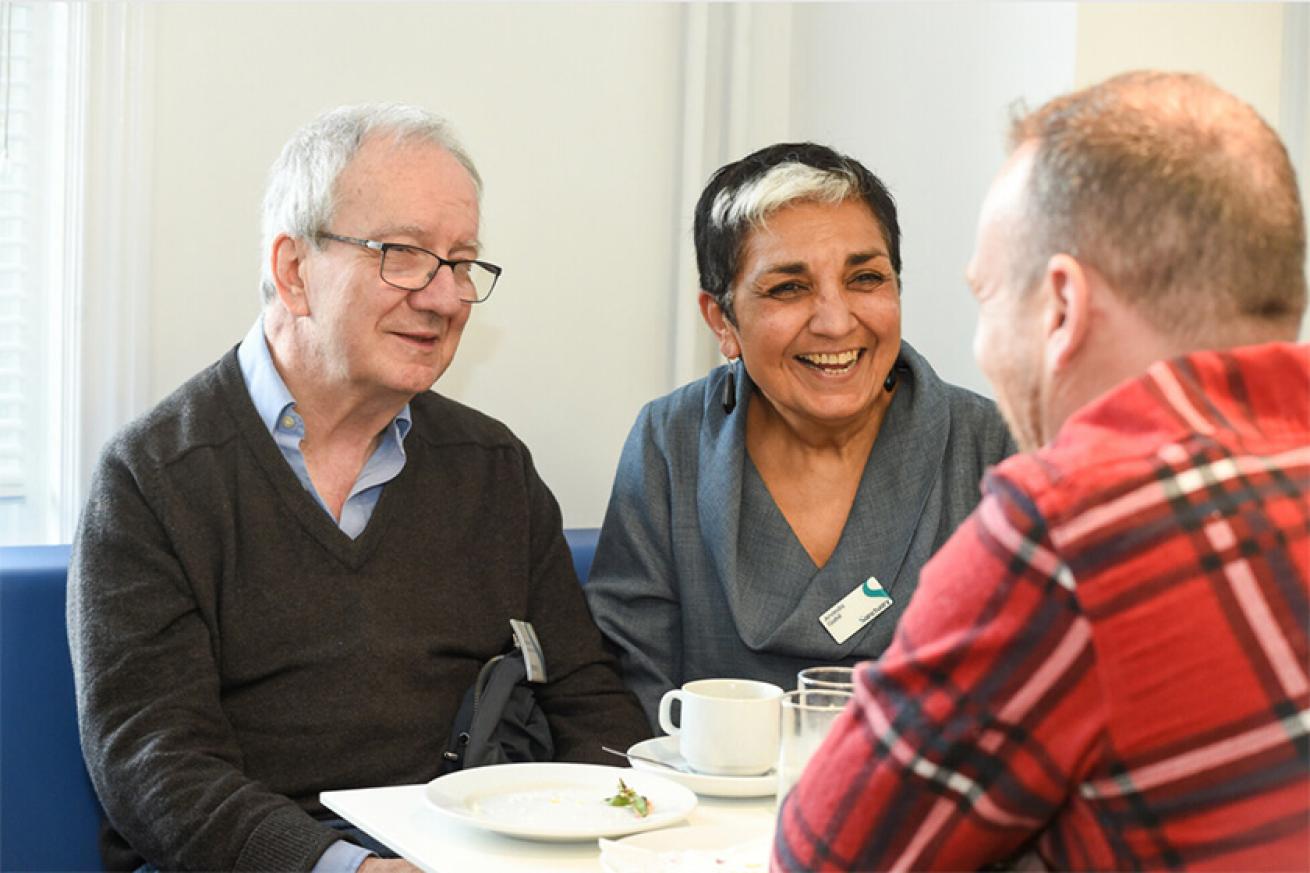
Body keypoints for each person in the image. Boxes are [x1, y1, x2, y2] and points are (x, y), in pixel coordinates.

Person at [66, 104, 648, 873]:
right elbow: (154, 764)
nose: (445, 298)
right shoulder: (154, 479)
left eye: (461, 261)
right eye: (404, 254)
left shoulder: (492, 468)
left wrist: (625, 830)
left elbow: (583, 694)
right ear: (293, 270)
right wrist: (348, 869)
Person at [775, 71, 1309, 872]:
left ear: (1061, 307)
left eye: (987, 297)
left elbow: (827, 855)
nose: (983, 348)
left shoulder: (1076, 525)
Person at [585, 142, 1015, 726]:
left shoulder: (994, 450)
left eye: (865, 278)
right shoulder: (671, 443)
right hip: (704, 803)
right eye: (789, 288)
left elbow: (1032, 691)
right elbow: (627, 687)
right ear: (722, 320)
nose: (836, 321)